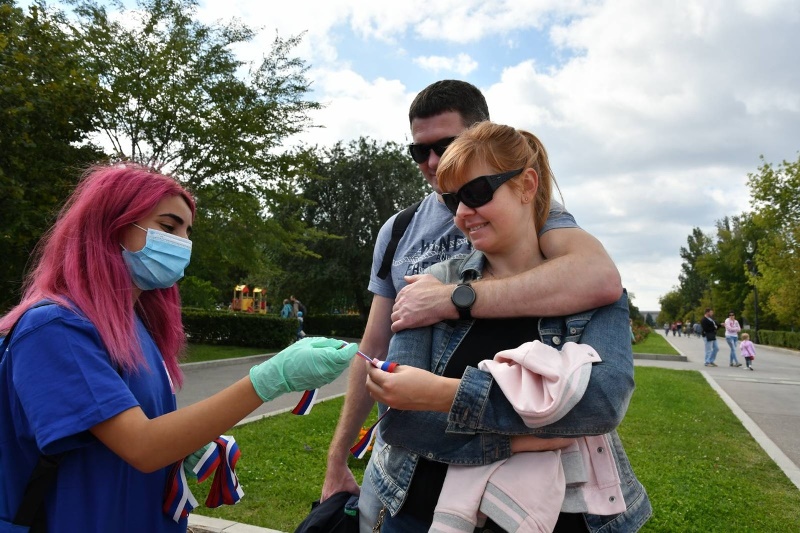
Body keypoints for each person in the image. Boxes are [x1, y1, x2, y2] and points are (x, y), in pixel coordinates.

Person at [321, 80, 624, 522]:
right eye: (419, 151)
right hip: (413, 493)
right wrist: (337, 456)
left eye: (445, 146)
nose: (432, 162)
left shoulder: (545, 218)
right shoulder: (400, 231)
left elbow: (601, 399)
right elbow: (384, 372)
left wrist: (451, 307)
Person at [0, 164, 358, 533]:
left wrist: (185, 443)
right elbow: (141, 446)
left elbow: (138, 430)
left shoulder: (135, 324)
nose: (183, 243)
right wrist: (270, 378)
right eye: (169, 227)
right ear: (111, 225)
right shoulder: (55, 327)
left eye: (187, 232)